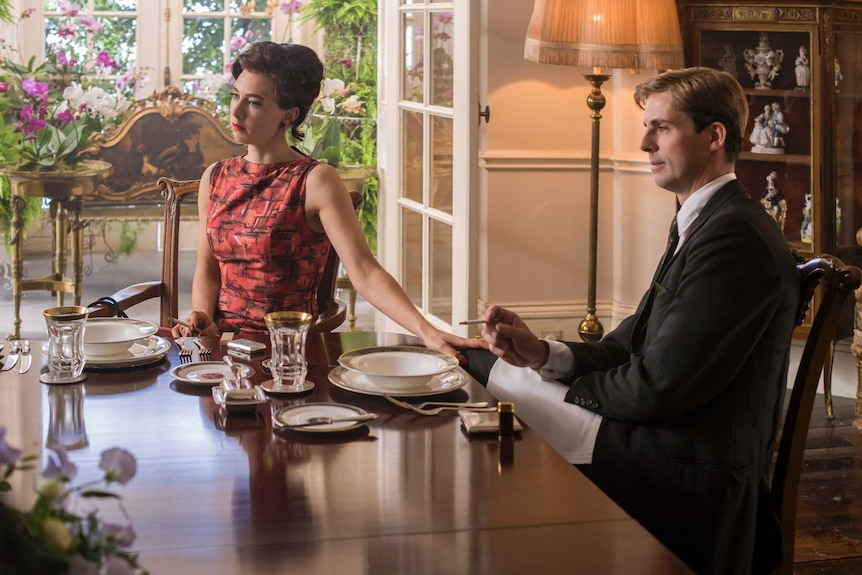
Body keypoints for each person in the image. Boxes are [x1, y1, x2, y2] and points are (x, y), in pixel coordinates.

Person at [463, 67, 798, 575]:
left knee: (485, 382)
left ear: (715, 136)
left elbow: (658, 386)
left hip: (687, 468)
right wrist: (542, 354)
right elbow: (631, 342)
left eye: (661, 127)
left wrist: (564, 394)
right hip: (665, 436)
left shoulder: (736, 238)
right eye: (647, 127)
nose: (644, 143)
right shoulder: (704, 219)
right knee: (485, 369)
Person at [172, 42, 483, 360]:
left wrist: (426, 330)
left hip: (287, 355)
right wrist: (202, 318)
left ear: (288, 115)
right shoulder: (216, 176)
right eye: (235, 95)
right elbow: (208, 271)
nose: (236, 111)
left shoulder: (315, 181)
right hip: (221, 353)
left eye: (254, 102)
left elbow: (364, 272)